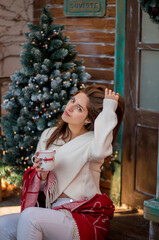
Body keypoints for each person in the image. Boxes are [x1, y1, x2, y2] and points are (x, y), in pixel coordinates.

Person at [0, 85, 123, 240]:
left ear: (88, 119)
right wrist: (42, 177)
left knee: (30, 217)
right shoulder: (49, 135)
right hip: (52, 209)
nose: (70, 107)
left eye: (79, 108)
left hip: (82, 214)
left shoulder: (94, 142)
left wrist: (108, 110)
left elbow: (100, 151)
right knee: (2, 225)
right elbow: (44, 189)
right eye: (72, 100)